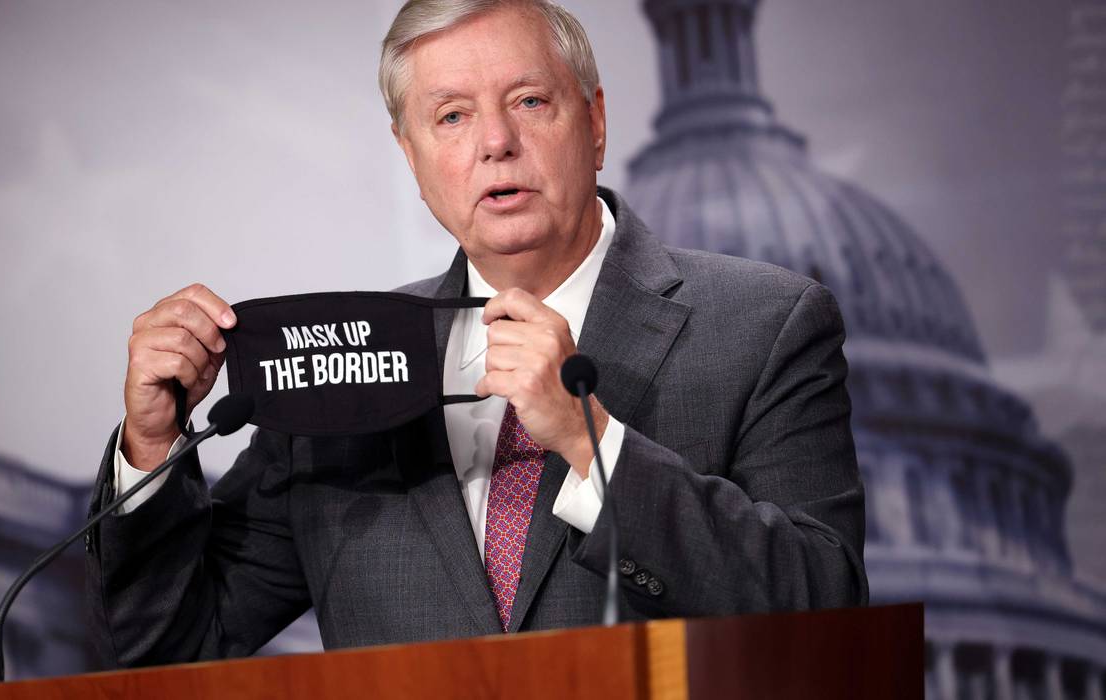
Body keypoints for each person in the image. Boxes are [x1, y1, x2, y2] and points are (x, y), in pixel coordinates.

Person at [86, 0, 868, 667]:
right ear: (412, 157)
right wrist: (151, 448)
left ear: (594, 122)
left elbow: (827, 614)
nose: (495, 141)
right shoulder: (342, 355)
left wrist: (591, 442)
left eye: (528, 101)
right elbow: (171, 647)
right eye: (452, 116)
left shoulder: (766, 324)